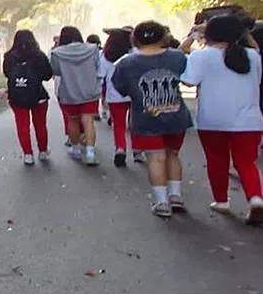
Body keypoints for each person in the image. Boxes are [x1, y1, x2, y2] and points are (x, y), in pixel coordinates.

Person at [180, 14, 263, 225]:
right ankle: (255, 198)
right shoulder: (253, 56)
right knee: (246, 162)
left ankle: (221, 201)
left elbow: (188, 81)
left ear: (209, 34)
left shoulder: (201, 57)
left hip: (213, 119)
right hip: (249, 120)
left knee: (217, 160)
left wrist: (191, 36)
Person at [111, 21, 192, 217]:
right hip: (176, 116)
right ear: (163, 36)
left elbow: (121, 88)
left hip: (146, 118)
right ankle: (176, 196)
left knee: (155, 158)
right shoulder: (177, 57)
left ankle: (162, 202)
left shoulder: (126, 63)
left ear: (135, 39)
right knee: (172, 154)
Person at [50, 26, 102, 165]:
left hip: (69, 91)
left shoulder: (57, 53)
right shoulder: (92, 49)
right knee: (88, 121)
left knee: (73, 120)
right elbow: (97, 67)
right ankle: (90, 152)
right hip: (90, 90)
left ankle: (75, 149)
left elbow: (55, 71)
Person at [2, 30, 55, 165]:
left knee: (22, 126)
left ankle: (28, 154)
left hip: (17, 96)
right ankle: (42, 151)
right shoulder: (39, 55)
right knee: (40, 125)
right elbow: (48, 75)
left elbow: (7, 74)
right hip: (38, 95)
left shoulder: (9, 56)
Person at [99, 29, 133, 167]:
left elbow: (101, 76)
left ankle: (120, 148)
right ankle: (138, 150)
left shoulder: (105, 56)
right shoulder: (134, 54)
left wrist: (102, 96)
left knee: (118, 125)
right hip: (133, 94)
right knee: (135, 124)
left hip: (115, 95)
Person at [87, 33, 104, 121]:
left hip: (92, 75)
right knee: (102, 93)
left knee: (95, 95)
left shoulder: (88, 52)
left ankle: (95, 111)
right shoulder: (103, 51)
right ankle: (104, 111)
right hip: (102, 74)